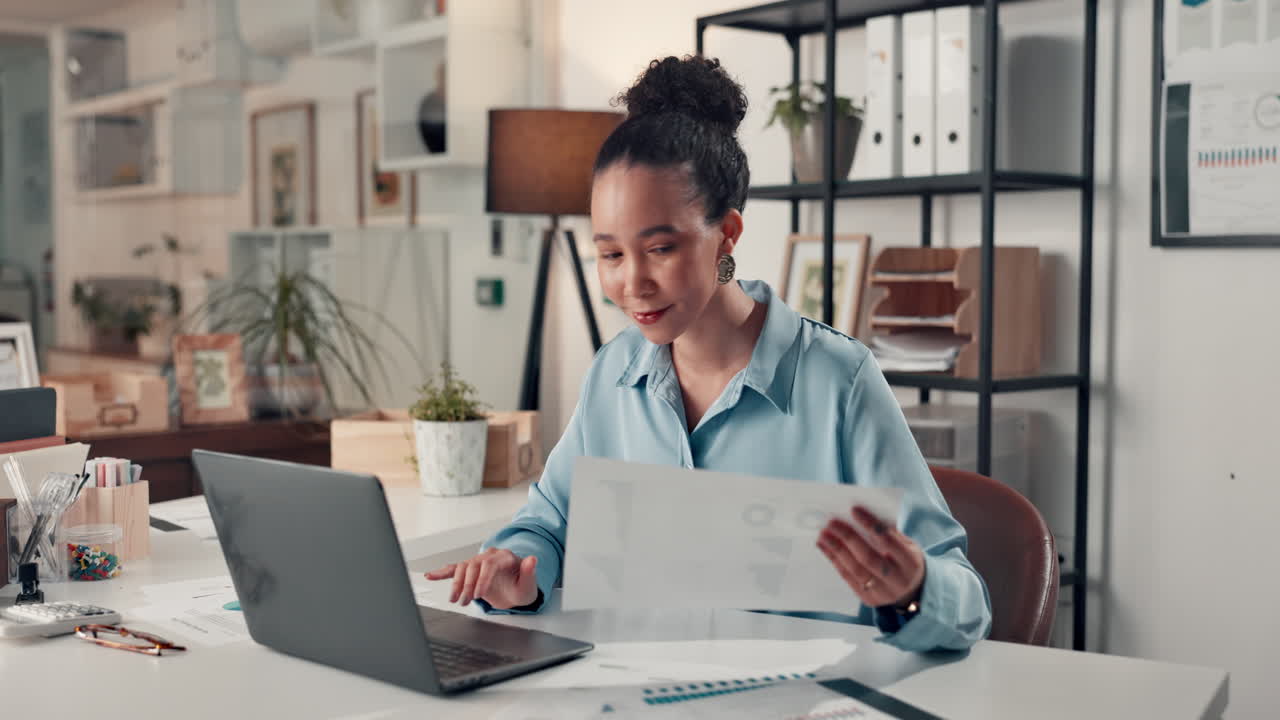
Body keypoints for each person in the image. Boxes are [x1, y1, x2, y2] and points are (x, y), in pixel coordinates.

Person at [427, 55, 992, 652]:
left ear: (727, 236)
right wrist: (516, 567)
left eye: (661, 248)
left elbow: (969, 603)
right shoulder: (613, 373)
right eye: (612, 255)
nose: (633, 284)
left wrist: (914, 587)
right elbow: (547, 523)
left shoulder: (838, 379)